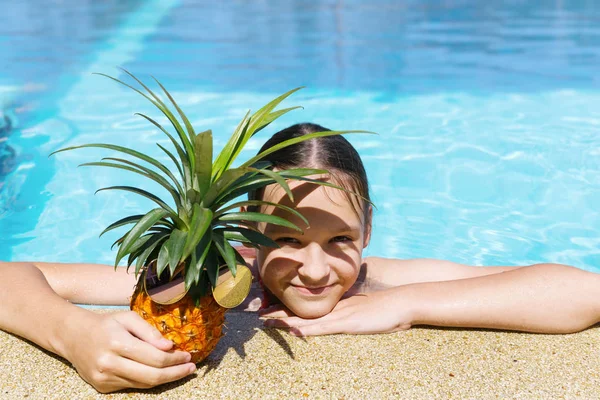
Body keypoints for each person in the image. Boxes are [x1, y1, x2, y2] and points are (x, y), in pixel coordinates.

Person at [1, 123, 599, 393]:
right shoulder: (211, 274)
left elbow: (581, 290)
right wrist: (72, 332)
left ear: (367, 229)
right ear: (248, 234)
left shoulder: (377, 280)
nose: (315, 270)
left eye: (339, 239)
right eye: (286, 240)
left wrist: (406, 307)